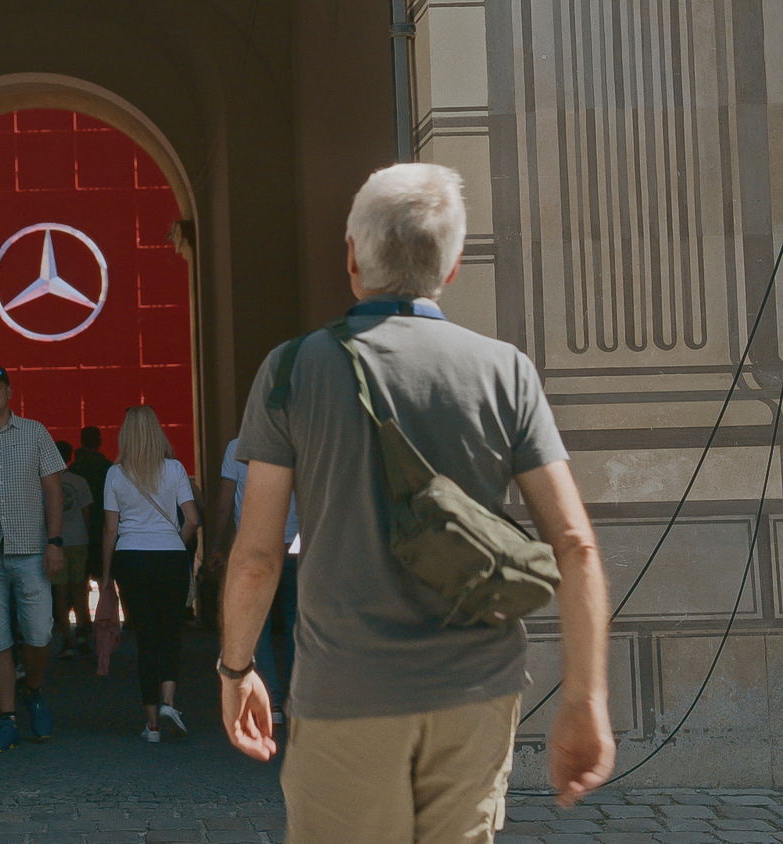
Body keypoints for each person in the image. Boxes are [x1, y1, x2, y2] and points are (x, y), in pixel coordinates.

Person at [219, 163, 614, 842]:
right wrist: (585, 697)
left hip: (346, 688)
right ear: (453, 266)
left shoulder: (292, 370)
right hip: (476, 690)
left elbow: (257, 558)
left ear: (351, 256)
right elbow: (575, 545)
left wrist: (237, 667)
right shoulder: (504, 371)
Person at [0, 364, 66, 752]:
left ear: (9, 392)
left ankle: (33, 688)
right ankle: (7, 717)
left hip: (32, 549)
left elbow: (53, 490)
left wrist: (55, 541)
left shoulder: (35, 432)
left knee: (40, 633)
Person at [98, 406, 199, 742]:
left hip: (131, 557)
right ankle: (170, 701)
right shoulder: (175, 469)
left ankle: (152, 724)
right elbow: (192, 519)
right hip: (169, 557)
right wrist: (175, 541)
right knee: (171, 633)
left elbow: (110, 530)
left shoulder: (115, 474)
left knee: (146, 639)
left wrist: (106, 573)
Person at [210, 436, 298, 724]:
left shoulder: (237, 448)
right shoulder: (304, 442)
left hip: (256, 547)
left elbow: (224, 504)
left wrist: (214, 545)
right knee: (297, 624)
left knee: (258, 626)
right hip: (297, 547)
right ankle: (301, 699)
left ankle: (271, 699)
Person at [53, 440, 93, 658]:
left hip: (56, 542)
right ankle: (82, 634)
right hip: (79, 540)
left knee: (60, 592)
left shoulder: (46, 482)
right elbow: (87, 513)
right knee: (80, 589)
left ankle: (66, 639)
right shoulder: (79, 482)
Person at [69, 425, 113, 543]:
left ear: (81, 441)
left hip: (78, 526)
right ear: (99, 442)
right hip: (103, 520)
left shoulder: (75, 468)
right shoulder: (108, 467)